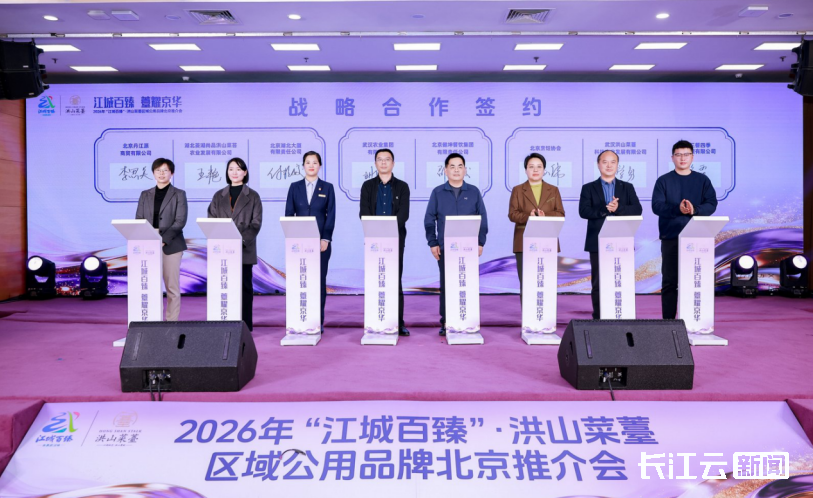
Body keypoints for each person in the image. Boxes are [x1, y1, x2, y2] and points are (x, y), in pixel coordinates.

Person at [652, 140, 718, 319]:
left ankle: (693, 321)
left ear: (692, 157)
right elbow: (656, 206)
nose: (683, 158)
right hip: (671, 237)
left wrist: (695, 210)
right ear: (672, 157)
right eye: (679, 155)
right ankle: (668, 322)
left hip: (697, 238)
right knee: (669, 282)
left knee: (694, 281)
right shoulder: (664, 181)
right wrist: (677, 209)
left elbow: (712, 204)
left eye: (686, 154)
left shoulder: (702, 180)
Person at [424, 153, 488, 336]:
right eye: (452, 166)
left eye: (460, 166)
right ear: (445, 171)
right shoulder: (437, 192)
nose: (456, 170)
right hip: (446, 248)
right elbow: (429, 219)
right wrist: (432, 243)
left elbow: (482, 219)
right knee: (447, 285)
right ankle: (446, 321)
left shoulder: (474, 192)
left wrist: (480, 242)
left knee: (468, 283)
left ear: (465, 170)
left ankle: (468, 319)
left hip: (469, 248)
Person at [578, 150, 643, 319]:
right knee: (599, 281)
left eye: (613, 162)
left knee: (622, 279)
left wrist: (618, 208)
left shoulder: (627, 187)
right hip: (597, 241)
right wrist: (606, 209)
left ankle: (623, 315)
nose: (609, 165)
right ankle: (599, 317)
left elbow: (637, 209)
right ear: (598, 164)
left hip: (622, 241)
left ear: (617, 165)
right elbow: (583, 211)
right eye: (605, 162)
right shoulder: (588, 188)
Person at [359, 148, 411, 336]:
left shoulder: (402, 187)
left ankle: (398, 322)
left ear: (393, 163)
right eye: (380, 159)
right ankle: (375, 320)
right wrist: (376, 231)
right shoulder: (367, 186)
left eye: (387, 159)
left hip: (395, 240)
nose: (383, 162)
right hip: (373, 241)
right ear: (375, 164)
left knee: (394, 280)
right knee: (375, 279)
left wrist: (388, 230)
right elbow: (363, 212)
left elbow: (404, 214)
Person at [207, 157, 263, 331]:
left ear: (245, 172)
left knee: (245, 288)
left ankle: (245, 325)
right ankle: (224, 323)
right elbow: (211, 219)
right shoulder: (218, 195)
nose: (234, 172)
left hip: (244, 249)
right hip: (222, 250)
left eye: (238, 169)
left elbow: (256, 223)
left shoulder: (253, 196)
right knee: (224, 286)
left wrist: (240, 241)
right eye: (231, 169)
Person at [285, 151, 336, 333]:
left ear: (320, 166)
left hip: (320, 244)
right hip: (299, 245)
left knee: (318, 282)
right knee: (300, 281)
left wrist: (325, 239)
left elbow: (331, 215)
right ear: (303, 166)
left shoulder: (327, 188)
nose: (311, 165)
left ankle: (317, 321)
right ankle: (300, 318)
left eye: (315, 162)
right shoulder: (295, 187)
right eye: (308, 162)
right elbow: (289, 214)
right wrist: (292, 239)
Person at [508, 152, 565, 305]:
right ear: (525, 170)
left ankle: (546, 315)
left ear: (544, 170)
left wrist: (545, 215)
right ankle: (528, 316)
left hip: (548, 240)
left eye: (539, 166)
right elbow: (512, 215)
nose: (535, 170)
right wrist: (529, 216)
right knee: (527, 282)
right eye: (531, 166)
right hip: (523, 241)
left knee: (546, 280)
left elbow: (560, 214)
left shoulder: (553, 190)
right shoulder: (518, 190)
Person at [135, 158, 188, 321]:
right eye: (158, 170)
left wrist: (163, 240)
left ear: (172, 173)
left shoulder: (179, 194)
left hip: (171, 244)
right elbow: (139, 219)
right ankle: (152, 320)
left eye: (165, 170)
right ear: (153, 173)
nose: (161, 173)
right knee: (150, 285)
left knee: (172, 287)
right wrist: (149, 239)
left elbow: (180, 221)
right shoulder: (145, 194)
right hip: (148, 243)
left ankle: (171, 322)